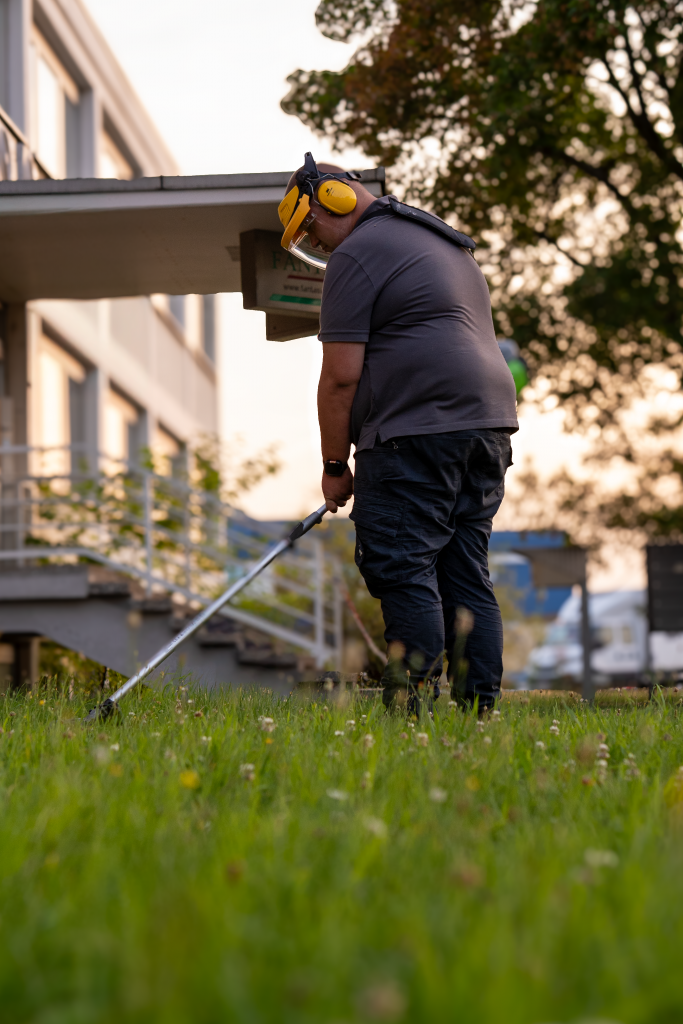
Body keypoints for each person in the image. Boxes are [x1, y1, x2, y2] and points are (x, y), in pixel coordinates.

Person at [278, 154, 518, 713]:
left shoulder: (357, 253)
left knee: (401, 565)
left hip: (414, 432)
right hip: (487, 427)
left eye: (312, 228)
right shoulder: (441, 240)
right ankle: (477, 718)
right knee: (465, 573)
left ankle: (409, 713)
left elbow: (339, 379)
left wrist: (335, 467)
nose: (318, 245)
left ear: (334, 196)